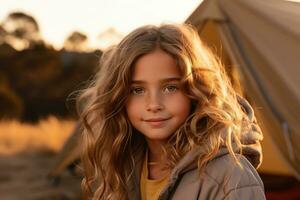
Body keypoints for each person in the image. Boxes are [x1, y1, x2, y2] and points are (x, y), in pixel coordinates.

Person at [77, 23, 266, 200]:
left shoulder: (232, 178)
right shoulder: (120, 167)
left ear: (196, 91)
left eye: (170, 88)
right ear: (119, 98)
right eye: (137, 90)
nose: (154, 104)